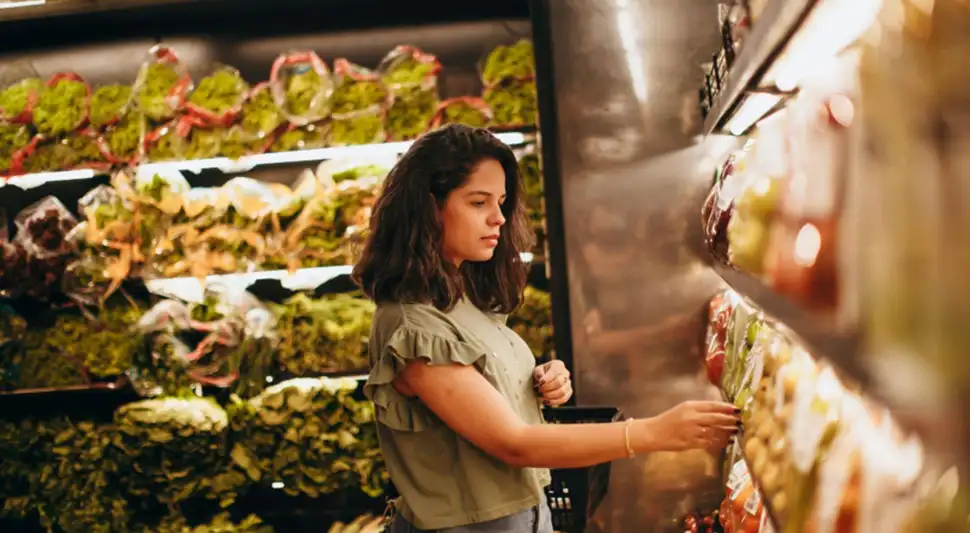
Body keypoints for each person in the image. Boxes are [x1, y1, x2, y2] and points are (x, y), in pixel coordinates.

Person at [351, 125, 741, 533]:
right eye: (478, 202)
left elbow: (487, 396)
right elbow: (513, 443)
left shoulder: (458, 298)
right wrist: (652, 433)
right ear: (430, 207)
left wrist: (538, 382)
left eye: (501, 202)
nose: (498, 218)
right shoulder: (412, 324)